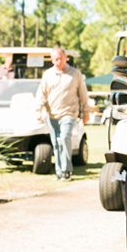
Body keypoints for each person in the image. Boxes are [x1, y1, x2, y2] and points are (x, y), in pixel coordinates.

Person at [35, 47, 91, 181]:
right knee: (56, 143)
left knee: (65, 138)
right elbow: (41, 94)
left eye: (61, 58)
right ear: (52, 60)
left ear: (66, 58)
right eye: (56, 59)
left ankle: (66, 171)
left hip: (69, 113)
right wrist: (38, 110)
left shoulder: (75, 74)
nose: (58, 61)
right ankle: (59, 171)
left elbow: (83, 94)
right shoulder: (48, 74)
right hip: (52, 115)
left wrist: (86, 112)